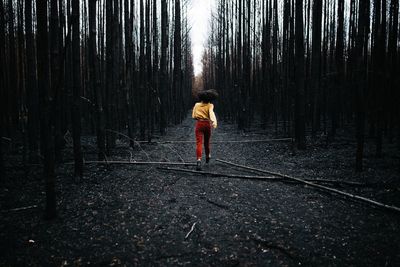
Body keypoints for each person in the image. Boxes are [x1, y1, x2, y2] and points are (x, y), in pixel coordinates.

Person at [192, 89, 218, 171]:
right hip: (207, 124)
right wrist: (214, 122)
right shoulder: (210, 105)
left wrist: (199, 117)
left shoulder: (196, 105)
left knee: (199, 143)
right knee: (207, 142)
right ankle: (207, 156)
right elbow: (211, 114)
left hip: (199, 124)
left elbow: (193, 116)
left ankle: (199, 160)